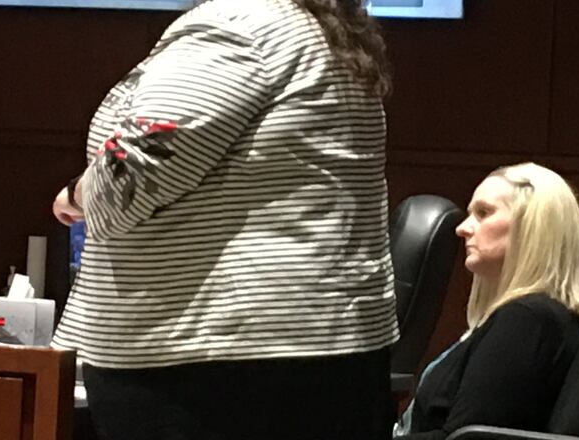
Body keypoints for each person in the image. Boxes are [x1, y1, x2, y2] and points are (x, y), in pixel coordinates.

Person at [51, 1, 399, 439]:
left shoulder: (240, 26)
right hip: (296, 356)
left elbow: (137, 169)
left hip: (210, 364)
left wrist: (78, 192)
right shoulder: (315, 29)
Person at [393, 162, 579, 439]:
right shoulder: (531, 317)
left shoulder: (528, 320)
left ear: (532, 226)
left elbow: (468, 437)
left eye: (483, 213)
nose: (462, 228)